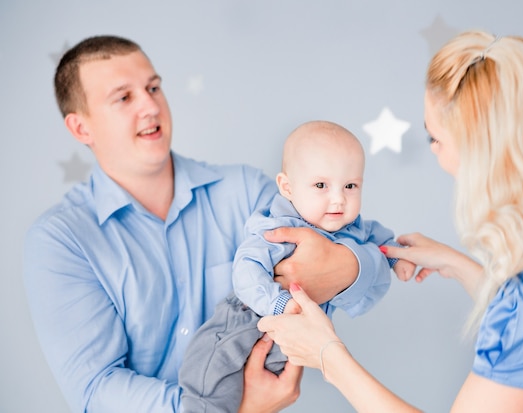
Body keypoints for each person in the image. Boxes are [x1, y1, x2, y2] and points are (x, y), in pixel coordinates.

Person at [258, 30, 523, 412]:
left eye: (435, 138)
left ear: (478, 151)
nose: (435, 153)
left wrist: (329, 356)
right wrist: (458, 265)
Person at [22, 35, 393, 413]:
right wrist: (230, 408)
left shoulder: (246, 192)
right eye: (124, 97)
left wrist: (351, 264)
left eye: (153, 88)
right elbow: (96, 390)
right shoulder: (61, 241)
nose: (151, 105)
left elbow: (348, 263)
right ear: (81, 128)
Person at [178, 120, 415, 412]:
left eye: (350, 185)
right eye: (321, 185)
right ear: (287, 187)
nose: (338, 199)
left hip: (292, 341)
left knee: (259, 388)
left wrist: (395, 257)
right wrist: (277, 303)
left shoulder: (353, 226)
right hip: (245, 321)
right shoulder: (277, 227)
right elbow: (246, 270)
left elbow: (379, 239)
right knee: (211, 381)